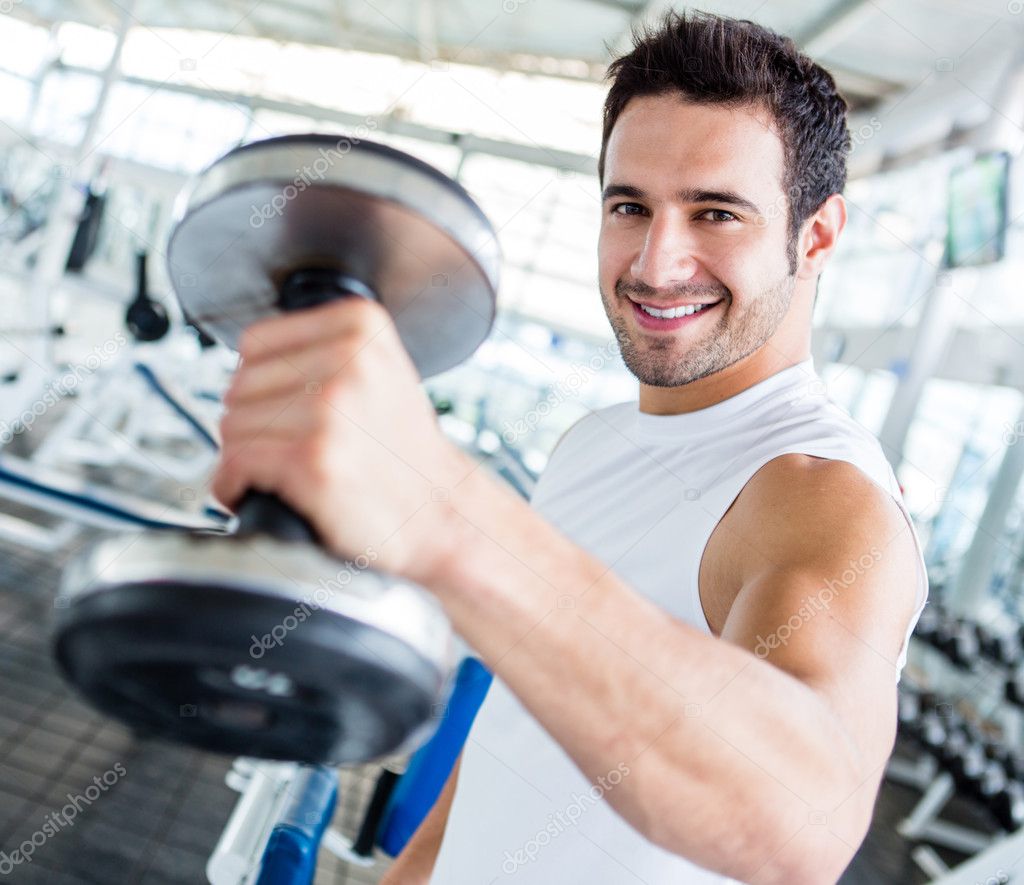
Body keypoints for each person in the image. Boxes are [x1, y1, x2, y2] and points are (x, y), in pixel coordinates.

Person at [211, 10, 928, 884]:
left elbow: (805, 817)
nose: (659, 263)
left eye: (716, 213)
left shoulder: (821, 494)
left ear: (815, 235)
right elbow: (508, 743)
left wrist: (442, 509)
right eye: (631, 206)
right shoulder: (593, 443)